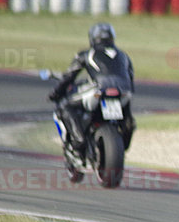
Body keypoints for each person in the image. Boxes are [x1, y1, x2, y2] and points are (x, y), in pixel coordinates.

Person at [48, 22, 136, 155]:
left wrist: (56, 93)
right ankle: (125, 134)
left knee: (65, 105)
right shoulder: (124, 56)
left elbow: (69, 76)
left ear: (93, 38)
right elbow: (130, 78)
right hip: (124, 92)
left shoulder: (87, 54)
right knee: (128, 117)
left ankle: (78, 140)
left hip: (99, 91)